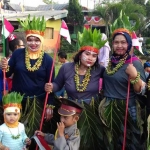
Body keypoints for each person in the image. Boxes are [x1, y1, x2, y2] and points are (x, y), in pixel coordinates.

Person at [45, 28, 106, 149]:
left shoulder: (99, 69)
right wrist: (52, 86)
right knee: (69, 138)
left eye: (94, 55)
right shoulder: (66, 68)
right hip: (70, 111)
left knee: (89, 139)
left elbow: (111, 80)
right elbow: (58, 84)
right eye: (87, 54)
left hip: (91, 110)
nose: (90, 58)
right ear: (80, 53)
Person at [1, 15, 55, 144]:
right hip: (17, 101)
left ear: (41, 40)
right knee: (15, 131)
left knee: (33, 133)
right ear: (26, 40)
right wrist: (4, 67)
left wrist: (50, 105)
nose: (33, 43)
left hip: (38, 101)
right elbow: (7, 74)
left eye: (36, 40)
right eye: (30, 40)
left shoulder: (48, 59)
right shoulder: (18, 54)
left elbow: (51, 84)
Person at [99, 28, 146, 149]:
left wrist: (135, 76)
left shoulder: (134, 63)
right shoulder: (111, 62)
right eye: (116, 42)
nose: (119, 45)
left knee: (128, 143)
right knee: (111, 141)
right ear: (112, 44)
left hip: (127, 110)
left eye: (123, 42)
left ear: (129, 44)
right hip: (108, 109)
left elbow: (141, 90)